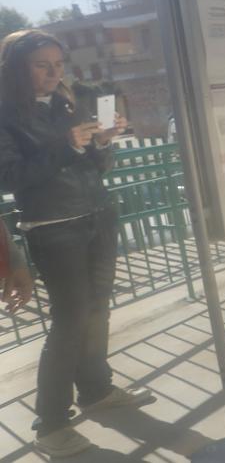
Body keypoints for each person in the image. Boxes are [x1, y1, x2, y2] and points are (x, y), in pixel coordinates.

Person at [0, 29, 154, 458]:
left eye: (58, 65)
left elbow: (94, 166)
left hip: (96, 216)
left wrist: (101, 144)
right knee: (69, 324)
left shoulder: (67, 104)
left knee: (98, 311)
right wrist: (68, 146)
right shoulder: (5, 112)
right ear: (17, 67)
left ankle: (96, 390)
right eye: (41, 65)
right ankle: (50, 425)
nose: (53, 73)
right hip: (54, 227)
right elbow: (10, 177)